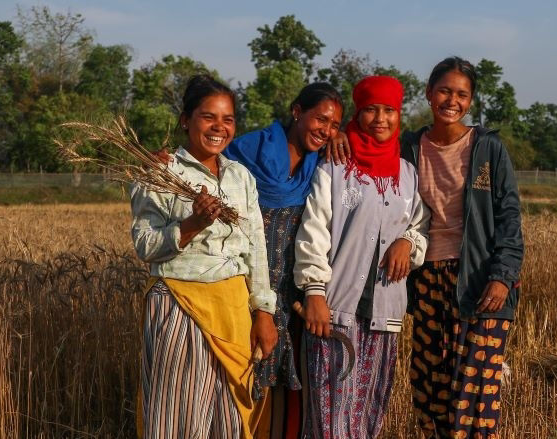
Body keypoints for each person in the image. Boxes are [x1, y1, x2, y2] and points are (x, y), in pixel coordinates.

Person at [156, 83, 344, 439]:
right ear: (296, 111)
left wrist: (337, 136)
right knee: (238, 383)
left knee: (287, 384)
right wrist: (165, 163)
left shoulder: (321, 161)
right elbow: (201, 163)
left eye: (335, 124)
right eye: (320, 119)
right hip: (241, 288)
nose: (327, 130)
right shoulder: (246, 153)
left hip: (291, 285)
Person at [131, 74, 278, 439]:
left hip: (232, 310)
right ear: (186, 119)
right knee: (178, 418)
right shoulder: (160, 173)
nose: (219, 127)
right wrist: (193, 223)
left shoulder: (240, 177)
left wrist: (263, 311)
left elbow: (255, 247)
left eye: (227, 119)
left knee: (227, 419)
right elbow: (146, 245)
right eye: (208, 116)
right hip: (180, 306)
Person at [294, 75, 430, 439]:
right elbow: (314, 230)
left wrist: (407, 242)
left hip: (384, 315)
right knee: (329, 419)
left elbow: (419, 225)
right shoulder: (336, 164)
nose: (380, 119)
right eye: (371, 110)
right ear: (358, 112)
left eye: (389, 110)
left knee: (369, 415)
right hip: (334, 312)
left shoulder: (406, 173)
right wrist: (314, 293)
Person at [401, 57, 524, 439]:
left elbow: (509, 216)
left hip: (480, 279)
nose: (452, 100)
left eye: (462, 94)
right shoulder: (408, 146)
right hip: (427, 281)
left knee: (475, 394)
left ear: (470, 101)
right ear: (428, 92)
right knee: (431, 391)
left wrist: (503, 276)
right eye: (444, 91)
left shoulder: (487, 148)